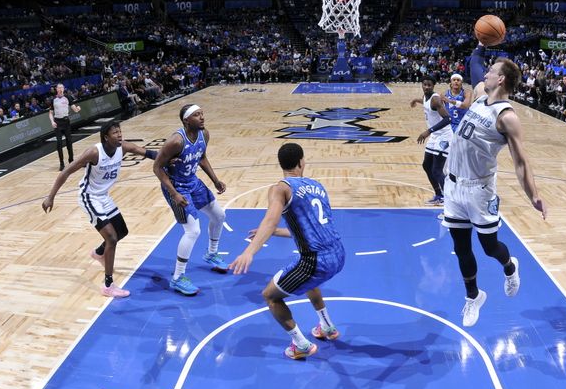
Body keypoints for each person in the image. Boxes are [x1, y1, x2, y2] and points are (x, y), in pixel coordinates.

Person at [443, 57, 547, 327]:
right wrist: (480, 46)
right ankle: (473, 296)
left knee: (489, 248)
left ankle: (510, 267)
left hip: (479, 190)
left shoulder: (507, 116)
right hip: (454, 186)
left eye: (492, 72)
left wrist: (533, 195)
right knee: (461, 248)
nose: (485, 74)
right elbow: (475, 66)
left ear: (501, 79)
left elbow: (521, 161)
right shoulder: (479, 94)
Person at [230, 143, 345, 360]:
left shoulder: (280, 188)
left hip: (316, 261)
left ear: (281, 164)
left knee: (270, 296)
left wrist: (249, 252)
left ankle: (300, 345)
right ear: (302, 161)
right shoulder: (317, 185)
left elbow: (270, 219)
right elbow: (310, 230)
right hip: (338, 254)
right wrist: (272, 232)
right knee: (311, 283)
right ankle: (327, 327)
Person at [41, 120, 158, 298]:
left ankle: (99, 253)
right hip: (89, 197)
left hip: (103, 196)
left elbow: (147, 152)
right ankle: (108, 285)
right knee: (111, 237)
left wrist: (168, 157)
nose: (119, 135)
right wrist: (50, 196)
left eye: (120, 131)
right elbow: (66, 172)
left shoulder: (123, 147)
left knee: (122, 231)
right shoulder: (94, 152)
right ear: (105, 137)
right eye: (115, 133)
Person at [153, 104, 229, 296]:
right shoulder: (176, 141)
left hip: (193, 183)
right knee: (193, 231)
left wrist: (215, 180)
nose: (202, 117)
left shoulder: (205, 134)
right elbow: (157, 168)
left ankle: (211, 254)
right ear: (186, 120)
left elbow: (202, 157)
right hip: (176, 187)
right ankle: (178, 277)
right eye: (197, 115)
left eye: (202, 113)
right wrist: (174, 193)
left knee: (219, 216)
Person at [410, 74, 451, 206]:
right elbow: (425, 102)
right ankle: (438, 195)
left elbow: (447, 119)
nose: (426, 87)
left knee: (437, 170)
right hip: (435, 136)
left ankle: (449, 201)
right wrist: (416, 100)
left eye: (429, 85)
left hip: (444, 136)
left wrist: (428, 131)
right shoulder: (425, 97)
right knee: (426, 165)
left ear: (433, 86)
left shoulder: (436, 100)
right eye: (424, 84)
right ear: (421, 85)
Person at [49, 83, 81, 171]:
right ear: (56, 89)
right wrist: (52, 121)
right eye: (58, 88)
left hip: (66, 121)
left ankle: (71, 161)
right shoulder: (53, 99)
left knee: (69, 142)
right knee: (59, 143)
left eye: (61, 87)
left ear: (63, 89)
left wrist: (78, 109)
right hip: (57, 122)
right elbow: (51, 113)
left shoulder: (68, 97)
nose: (60, 89)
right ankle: (61, 163)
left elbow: (75, 109)